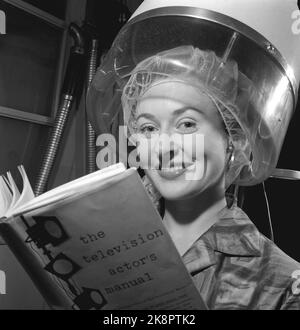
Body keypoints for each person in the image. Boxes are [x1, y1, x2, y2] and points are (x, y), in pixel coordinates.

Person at [117, 45, 300, 310]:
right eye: (148, 128)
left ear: (234, 139)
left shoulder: (283, 286)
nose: (163, 146)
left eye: (187, 124)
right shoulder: (110, 247)